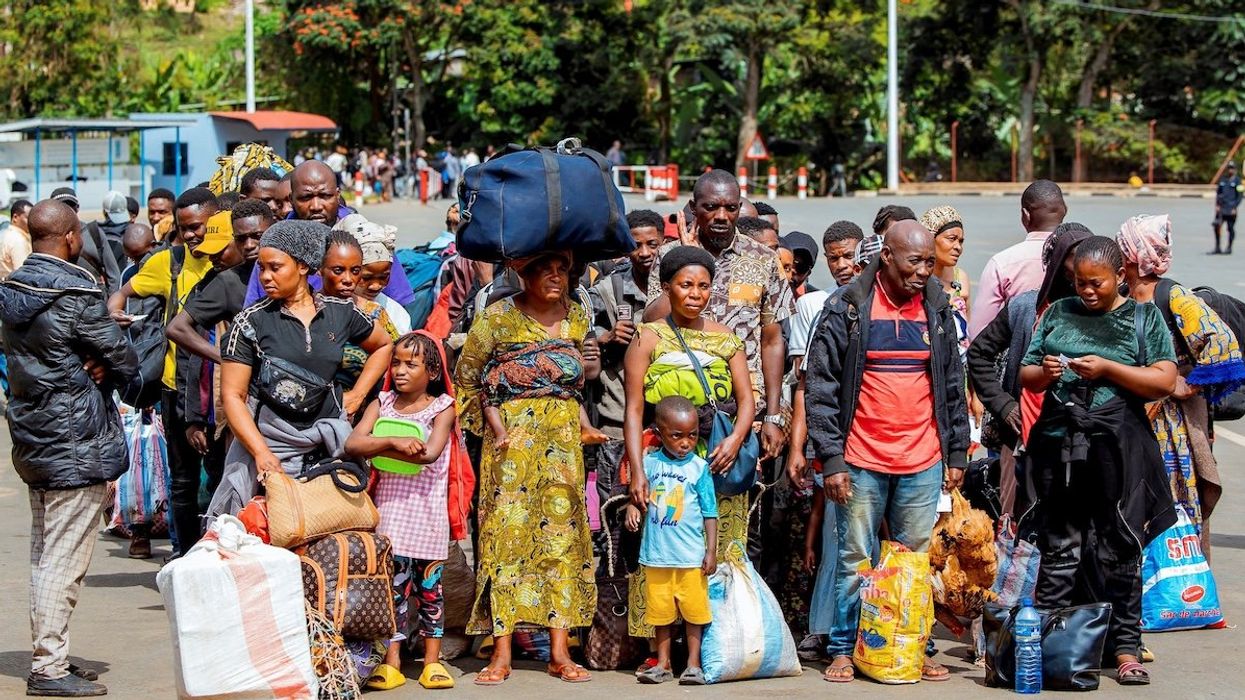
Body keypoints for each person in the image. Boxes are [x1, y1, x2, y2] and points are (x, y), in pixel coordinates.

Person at [804, 221, 970, 683]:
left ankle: (918, 645)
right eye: (914, 261)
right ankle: (843, 647)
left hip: (923, 457)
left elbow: (952, 385)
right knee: (856, 560)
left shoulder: (937, 306)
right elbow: (819, 386)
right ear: (887, 258)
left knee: (914, 561)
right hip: (860, 458)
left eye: (929, 262)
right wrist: (831, 459)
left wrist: (957, 453)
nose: (923, 271)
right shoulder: (848, 307)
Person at [1019, 236, 1179, 686]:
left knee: (1121, 546)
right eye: (1080, 282)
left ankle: (1126, 648)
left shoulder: (1142, 318)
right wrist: (1046, 372)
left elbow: (1164, 379)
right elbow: (1026, 374)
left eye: (1097, 283)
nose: (1087, 291)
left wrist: (1109, 370)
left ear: (1120, 277)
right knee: (1059, 544)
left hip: (1119, 448)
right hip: (1059, 443)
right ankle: (1050, 641)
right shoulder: (1057, 312)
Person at [0, 199, 138, 697]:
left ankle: (48, 655)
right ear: (71, 237)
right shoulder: (78, 290)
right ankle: (49, 667)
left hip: (35, 433)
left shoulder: (12, 289)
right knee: (64, 560)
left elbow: (51, 350)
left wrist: (90, 357)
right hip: (77, 438)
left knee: (45, 552)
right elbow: (119, 356)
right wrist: (114, 368)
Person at [454, 250, 600, 685]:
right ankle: (500, 653)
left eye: (562, 270)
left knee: (560, 541)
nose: (556, 277)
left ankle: (559, 652)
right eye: (546, 270)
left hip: (562, 446)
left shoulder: (576, 316)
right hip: (510, 449)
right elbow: (467, 379)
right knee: (506, 541)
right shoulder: (496, 318)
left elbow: (577, 385)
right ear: (523, 274)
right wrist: (496, 431)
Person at [209, 220, 394, 517]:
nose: (266, 276)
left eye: (275, 267)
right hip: (272, 449)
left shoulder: (340, 312)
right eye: (262, 269)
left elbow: (384, 345)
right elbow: (233, 397)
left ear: (304, 267)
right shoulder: (250, 324)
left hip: (330, 448)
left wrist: (358, 394)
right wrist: (261, 454)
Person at [623, 247, 754, 653]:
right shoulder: (648, 336)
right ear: (666, 288)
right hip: (661, 463)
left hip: (715, 459)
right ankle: (658, 653)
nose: (695, 294)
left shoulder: (727, 339)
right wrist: (638, 473)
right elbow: (633, 410)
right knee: (662, 556)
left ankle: (717, 647)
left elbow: (748, 401)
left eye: (703, 286)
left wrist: (734, 440)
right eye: (685, 285)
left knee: (714, 555)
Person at [107, 187, 229, 556]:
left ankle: (220, 556)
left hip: (225, 392)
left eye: (200, 227)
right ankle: (184, 555)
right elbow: (120, 294)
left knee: (225, 477)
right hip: (177, 389)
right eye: (185, 227)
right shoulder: (168, 263)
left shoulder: (229, 261)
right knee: (183, 481)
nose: (193, 235)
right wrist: (115, 312)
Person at [1117, 214, 1245, 560]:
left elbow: (1223, 347)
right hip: (1127, 417)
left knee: (1173, 502)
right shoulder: (1122, 294)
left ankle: (1183, 593)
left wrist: (1183, 385)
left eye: (1122, 244)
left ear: (1133, 252)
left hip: (1172, 427)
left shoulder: (1174, 296)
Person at [645, 169, 793, 466]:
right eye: (711, 207)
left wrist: (774, 415)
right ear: (694, 207)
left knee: (738, 503)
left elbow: (772, 340)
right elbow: (650, 321)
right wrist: (687, 259)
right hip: (679, 410)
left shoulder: (763, 259)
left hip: (743, 412)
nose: (722, 215)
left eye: (731, 207)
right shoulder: (668, 256)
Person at [347, 332, 460, 691]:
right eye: (396, 362)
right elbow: (353, 443)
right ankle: (391, 662)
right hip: (391, 512)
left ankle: (432, 661)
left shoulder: (443, 407)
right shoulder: (382, 402)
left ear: (432, 371)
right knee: (393, 591)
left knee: (430, 590)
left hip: (427, 514)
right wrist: (393, 441)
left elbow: (429, 453)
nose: (400, 370)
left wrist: (376, 448)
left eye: (411, 364)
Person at [968, 222, 1092, 517]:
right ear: (1058, 262)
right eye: (1076, 258)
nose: (1084, 267)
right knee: (1019, 528)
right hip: (1024, 440)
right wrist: (1004, 405)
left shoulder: (1101, 309)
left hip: (1085, 441)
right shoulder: (1025, 307)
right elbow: (979, 354)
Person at [624, 395, 718, 686]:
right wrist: (632, 507)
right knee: (661, 614)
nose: (685, 443)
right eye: (677, 436)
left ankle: (693, 664)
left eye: (692, 436)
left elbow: (710, 512)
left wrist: (711, 550)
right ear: (659, 432)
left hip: (691, 558)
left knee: (694, 613)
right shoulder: (649, 464)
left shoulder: (699, 468)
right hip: (657, 556)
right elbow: (637, 495)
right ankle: (663, 663)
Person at [587, 209, 664, 495]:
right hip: (617, 419)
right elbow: (580, 330)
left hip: (668, 423)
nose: (644, 253)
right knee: (616, 509)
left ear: (664, 243)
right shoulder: (608, 290)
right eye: (636, 245)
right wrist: (605, 338)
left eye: (652, 244)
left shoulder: (680, 289)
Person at [968, 179, 1067, 338]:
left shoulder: (1002, 263)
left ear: (1025, 215)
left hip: (1017, 357)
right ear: (1064, 211)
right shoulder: (1081, 256)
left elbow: (978, 332)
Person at [337, 214, 412, 333]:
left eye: (384, 277)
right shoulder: (326, 308)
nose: (376, 286)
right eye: (366, 278)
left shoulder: (396, 314)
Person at [52, 188, 121, 297]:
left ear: (77, 208)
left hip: (95, 300)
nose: (68, 211)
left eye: (71, 206)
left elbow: (114, 275)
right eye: (62, 207)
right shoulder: (49, 238)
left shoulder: (93, 232)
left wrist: (110, 306)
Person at [920, 205, 971, 352]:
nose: (958, 247)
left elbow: (968, 331)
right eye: (951, 239)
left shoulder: (960, 277)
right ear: (931, 238)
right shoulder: (918, 280)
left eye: (960, 241)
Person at [1213, 162, 1242, 255]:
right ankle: (1217, 247)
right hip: (1221, 208)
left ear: (1235, 170)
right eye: (1229, 168)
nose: (1230, 170)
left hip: (1231, 209)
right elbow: (1218, 193)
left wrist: (1235, 207)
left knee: (1230, 228)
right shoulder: (1222, 180)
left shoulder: (1238, 181)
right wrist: (1217, 205)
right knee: (1217, 226)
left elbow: (1240, 196)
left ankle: (1229, 247)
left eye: (1232, 168)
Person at [0, 198, 32, 279]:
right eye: (28, 218)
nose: (32, 221)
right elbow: (23, 275)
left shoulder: (7, 234)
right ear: (15, 217)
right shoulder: (17, 240)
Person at [780, 231, 819, 298]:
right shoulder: (759, 288)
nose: (793, 270)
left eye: (802, 267)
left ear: (808, 273)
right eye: (789, 262)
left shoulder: (815, 303)